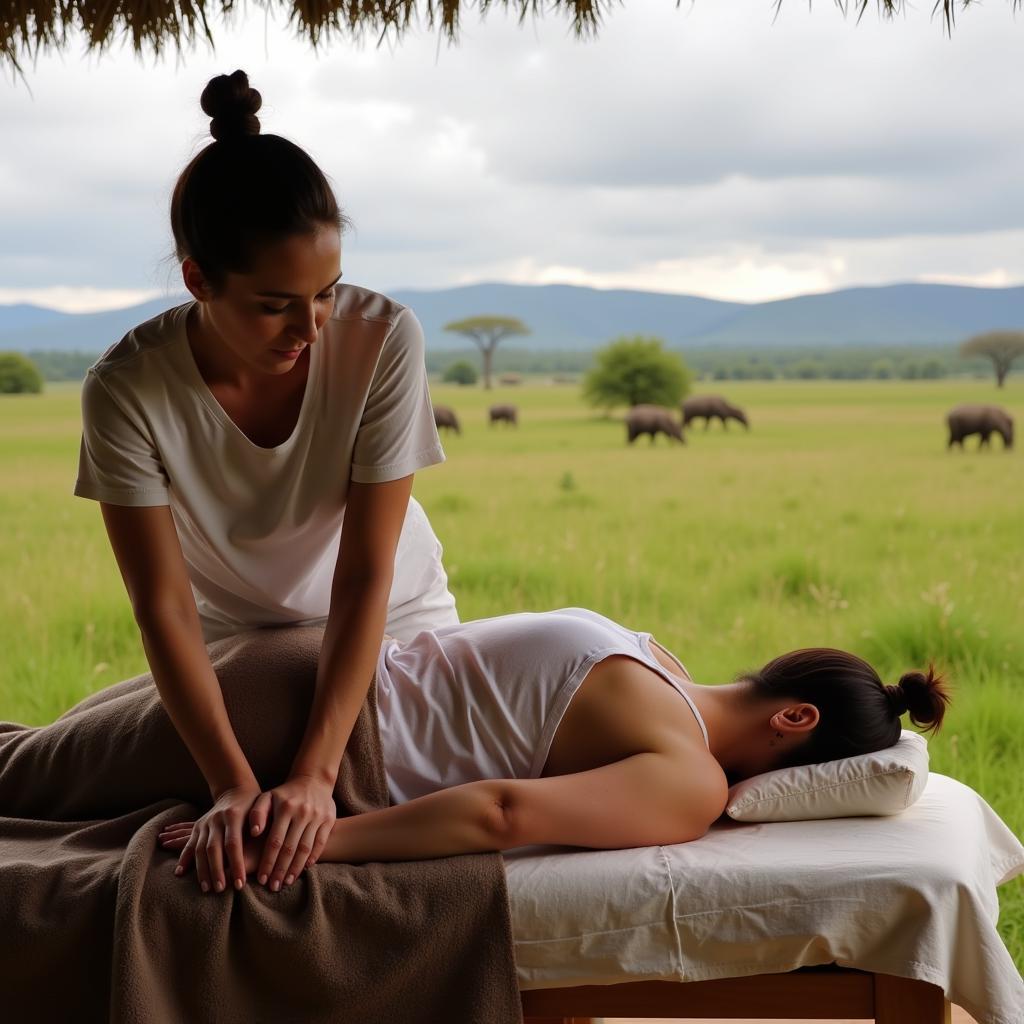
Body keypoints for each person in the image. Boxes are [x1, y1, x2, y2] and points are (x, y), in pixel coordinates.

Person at [74, 70, 458, 896]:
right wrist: (230, 785)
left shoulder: (381, 337)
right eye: (276, 304)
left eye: (325, 294)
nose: (310, 327)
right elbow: (163, 605)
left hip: (391, 626)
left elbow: (364, 576)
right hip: (237, 648)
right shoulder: (127, 388)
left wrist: (318, 776)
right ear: (197, 280)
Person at [158, 607, 951, 895]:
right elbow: (502, 813)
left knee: (37, 763)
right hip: (302, 738)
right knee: (31, 778)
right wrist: (308, 843)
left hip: (299, 666)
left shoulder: (650, 651)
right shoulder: (691, 777)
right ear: (797, 719)